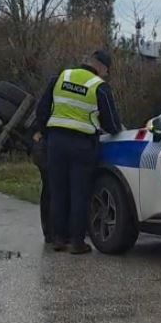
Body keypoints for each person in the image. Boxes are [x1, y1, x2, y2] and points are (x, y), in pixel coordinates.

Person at [32, 50, 122, 255]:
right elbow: (112, 123)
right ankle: (77, 243)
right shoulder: (99, 86)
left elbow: (42, 110)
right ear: (102, 67)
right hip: (82, 145)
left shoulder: (61, 77)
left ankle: (58, 239)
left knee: (58, 191)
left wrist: (48, 134)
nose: (106, 75)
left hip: (56, 143)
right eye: (106, 71)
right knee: (79, 193)